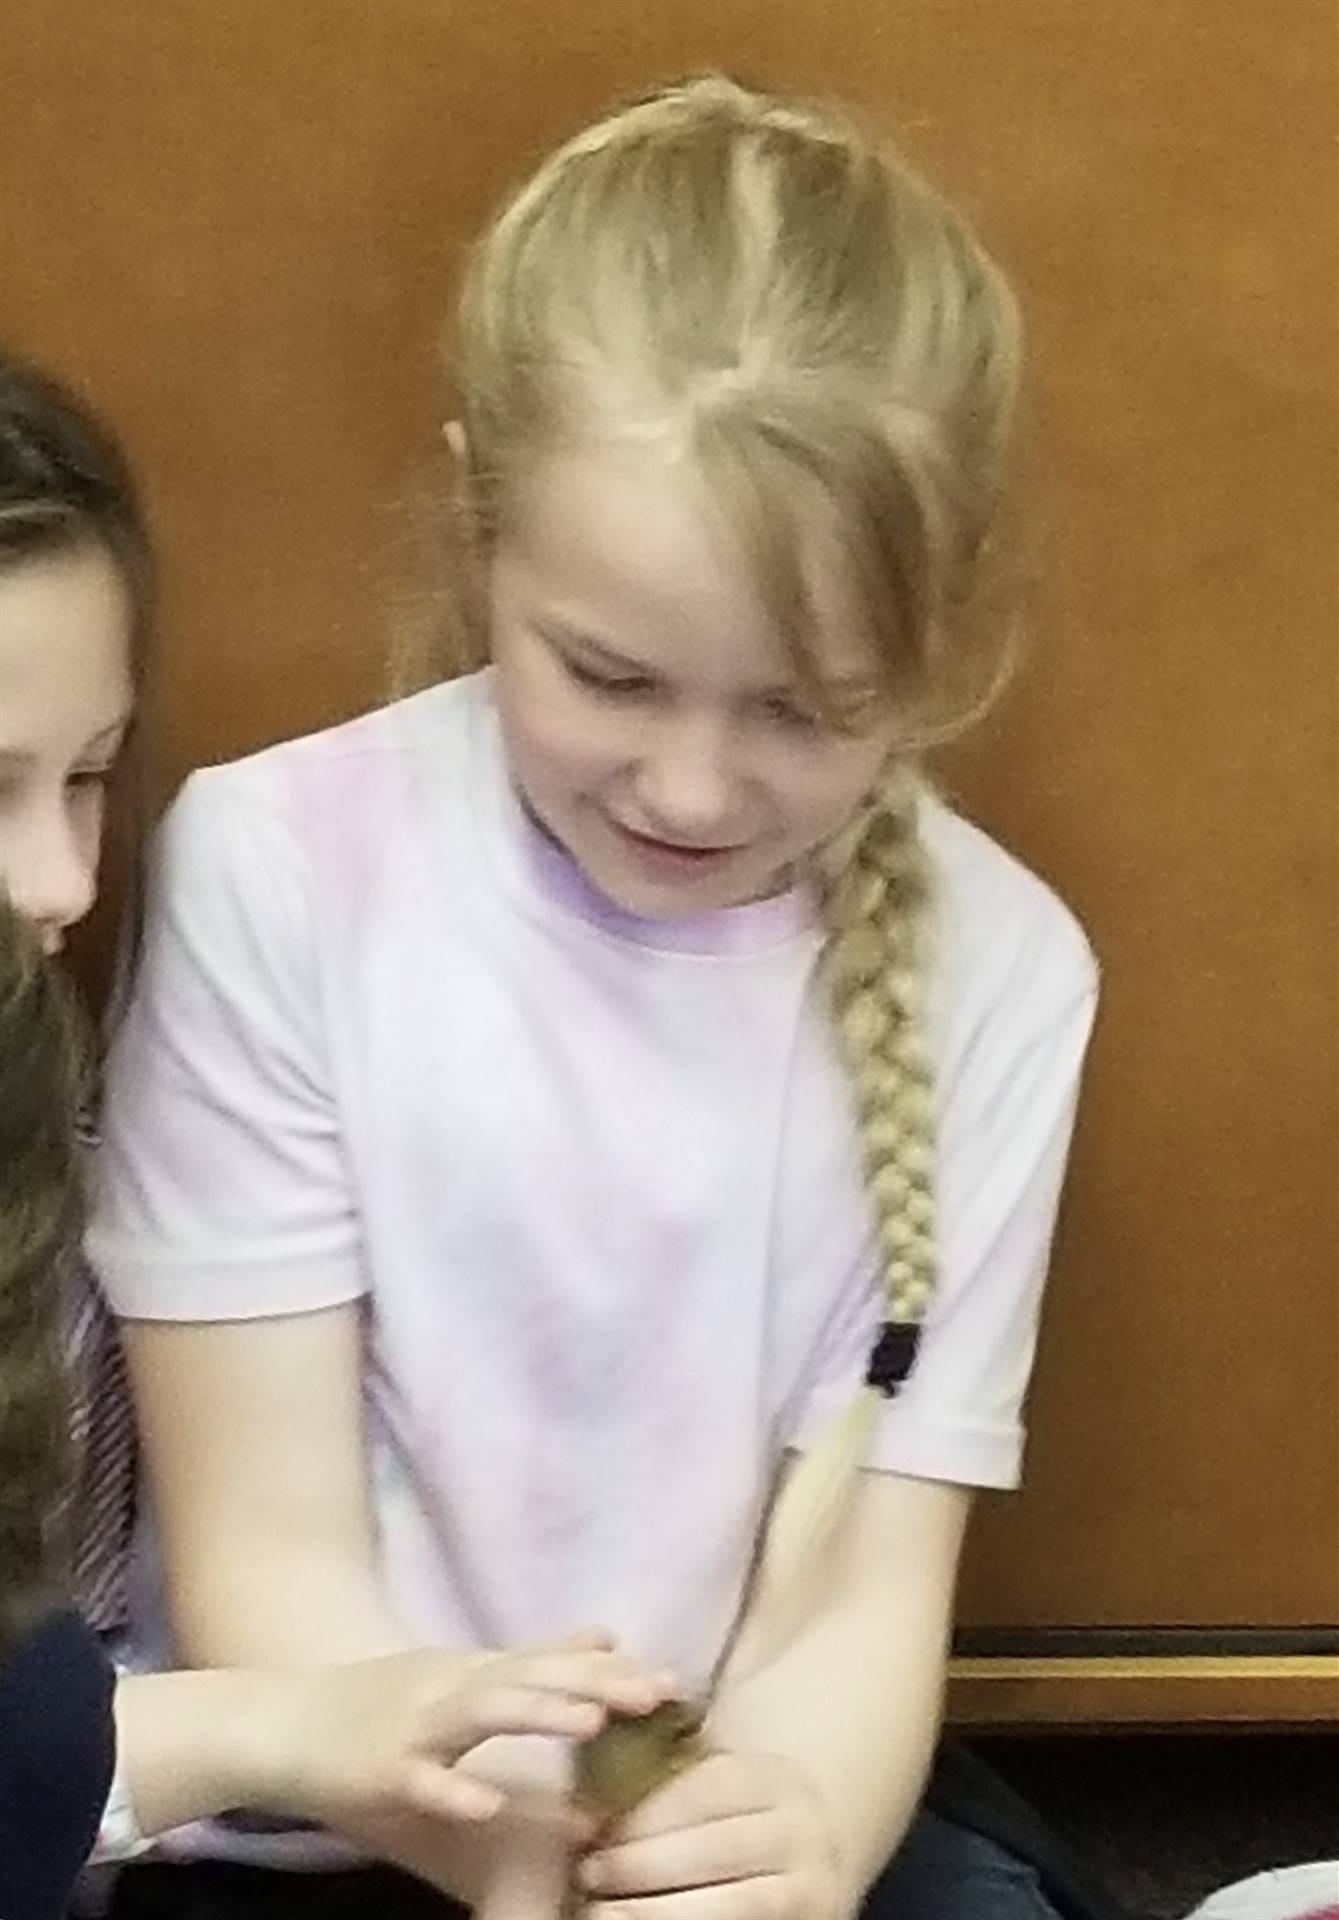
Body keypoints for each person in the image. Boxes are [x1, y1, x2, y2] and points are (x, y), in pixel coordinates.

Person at [89, 75, 1101, 1920]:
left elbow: (873, 1592)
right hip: (335, 1812)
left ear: (939, 627)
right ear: (479, 518)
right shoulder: (282, 869)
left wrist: (791, 1837)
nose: (694, 791)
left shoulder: (1004, 969)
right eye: (610, 677)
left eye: (802, 707)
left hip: (704, 1805)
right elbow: (269, 1561)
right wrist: (497, 1843)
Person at [0, 358, 675, 1920]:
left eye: (89, 780)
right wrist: (275, 1722)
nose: (59, 883)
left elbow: (69, 1678)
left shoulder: (50, 1125)